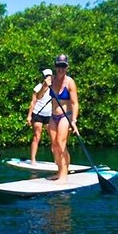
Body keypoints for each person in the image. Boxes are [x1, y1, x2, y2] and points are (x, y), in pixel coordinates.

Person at [47, 54, 78, 183]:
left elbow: (75, 103)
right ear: (55, 66)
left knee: (61, 143)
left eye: (63, 66)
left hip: (66, 116)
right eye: (59, 66)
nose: (61, 69)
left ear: (67, 67)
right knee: (54, 145)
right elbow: (38, 96)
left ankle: (64, 175)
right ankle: (59, 171)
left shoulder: (70, 82)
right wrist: (45, 85)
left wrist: (74, 120)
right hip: (53, 116)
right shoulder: (51, 80)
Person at [26, 68, 53, 164]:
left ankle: (57, 160)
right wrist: (29, 116)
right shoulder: (38, 87)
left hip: (49, 114)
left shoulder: (54, 87)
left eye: (50, 76)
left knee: (53, 137)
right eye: (46, 77)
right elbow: (36, 100)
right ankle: (33, 159)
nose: (48, 78)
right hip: (38, 113)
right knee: (37, 136)